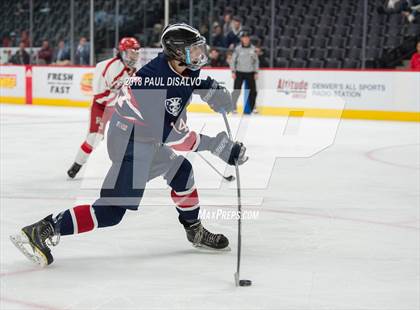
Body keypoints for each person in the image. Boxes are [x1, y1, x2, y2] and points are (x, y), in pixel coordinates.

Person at [10, 23, 248, 267]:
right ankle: (43, 229)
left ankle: (194, 230)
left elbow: (190, 82)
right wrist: (218, 146)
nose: (200, 55)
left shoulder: (180, 65)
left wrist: (212, 91)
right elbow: (175, 138)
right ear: (177, 52)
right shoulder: (154, 83)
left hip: (143, 137)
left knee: (181, 171)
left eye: (200, 49)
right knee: (110, 212)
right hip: (130, 142)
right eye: (194, 50)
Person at [67, 37, 141, 179]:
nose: (135, 55)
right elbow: (100, 95)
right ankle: (77, 164)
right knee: (95, 137)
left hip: (117, 108)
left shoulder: (135, 69)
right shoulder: (108, 67)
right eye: (132, 52)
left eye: (137, 52)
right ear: (123, 52)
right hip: (102, 107)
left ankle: (128, 168)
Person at [230, 29, 259, 113]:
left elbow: (256, 61)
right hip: (239, 72)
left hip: (250, 72)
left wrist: (256, 72)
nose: (245, 39)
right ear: (241, 39)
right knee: (236, 91)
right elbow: (233, 60)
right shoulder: (238, 49)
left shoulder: (253, 49)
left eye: (247, 37)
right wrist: (233, 71)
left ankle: (253, 108)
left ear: (249, 38)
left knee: (253, 91)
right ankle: (233, 107)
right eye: (244, 37)